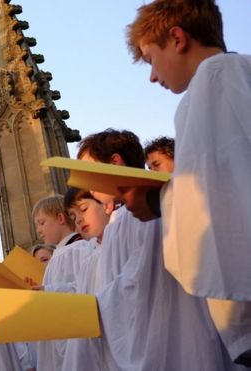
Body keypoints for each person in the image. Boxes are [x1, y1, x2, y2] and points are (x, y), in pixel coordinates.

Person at [124, 0, 251, 365]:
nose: (152, 76)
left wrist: (156, 200)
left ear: (177, 38)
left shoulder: (217, 78)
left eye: (150, 59)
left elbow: (228, 182)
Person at [62, 128, 231, 370]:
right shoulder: (121, 221)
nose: (87, 184)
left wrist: (93, 308)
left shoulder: (144, 213)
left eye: (89, 171)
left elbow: (141, 282)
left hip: (174, 337)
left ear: (115, 162)